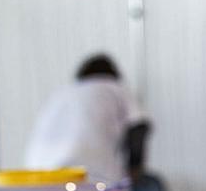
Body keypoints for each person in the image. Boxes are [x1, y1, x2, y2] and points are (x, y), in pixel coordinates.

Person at [24, 54, 150, 183]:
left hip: (36, 169)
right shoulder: (115, 88)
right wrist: (135, 168)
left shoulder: (62, 93)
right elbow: (138, 126)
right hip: (86, 169)